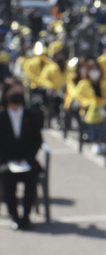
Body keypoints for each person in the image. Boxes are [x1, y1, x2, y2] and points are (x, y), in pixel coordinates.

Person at [0, 85, 43, 230]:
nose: (15, 109)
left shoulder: (31, 116)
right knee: (8, 183)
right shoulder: (2, 117)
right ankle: (14, 216)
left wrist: (26, 157)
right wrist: (10, 159)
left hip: (27, 160)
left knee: (31, 182)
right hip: (7, 161)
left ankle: (26, 216)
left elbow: (37, 141)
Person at [75, 59, 106, 154]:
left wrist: (101, 103)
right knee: (90, 119)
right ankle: (94, 141)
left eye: (96, 69)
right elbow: (79, 98)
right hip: (88, 109)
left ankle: (100, 140)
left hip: (102, 108)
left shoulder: (105, 83)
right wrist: (90, 103)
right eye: (92, 70)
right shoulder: (83, 84)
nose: (95, 72)